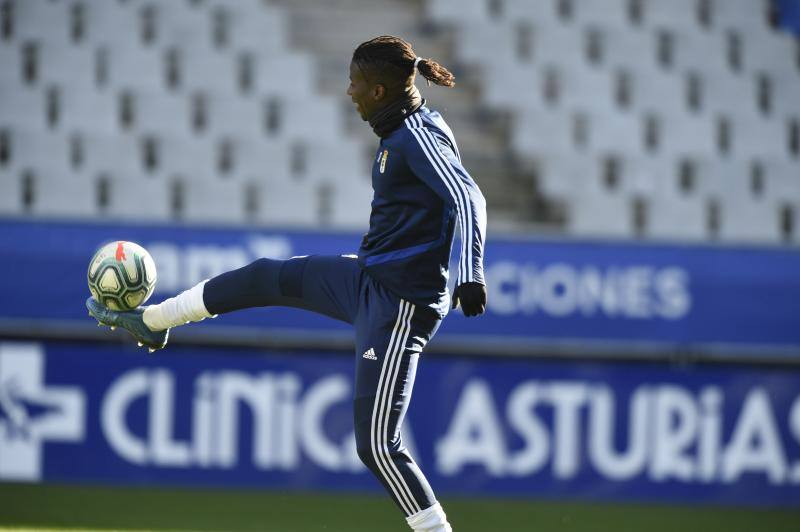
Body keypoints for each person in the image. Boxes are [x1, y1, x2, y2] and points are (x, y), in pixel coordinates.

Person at [87, 35, 487, 532]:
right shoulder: (400, 129)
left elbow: (469, 199)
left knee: (377, 446)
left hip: (400, 305)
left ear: (380, 91)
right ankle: (153, 320)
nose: (349, 92)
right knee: (265, 276)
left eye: (355, 82)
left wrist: (471, 275)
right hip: (365, 279)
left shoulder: (418, 136)